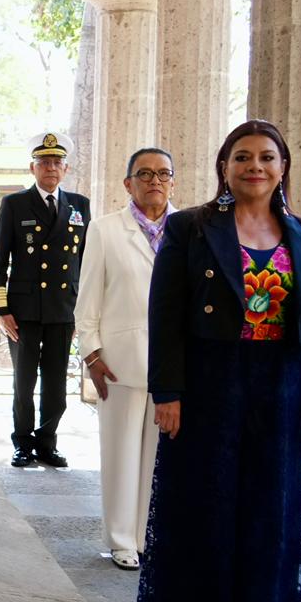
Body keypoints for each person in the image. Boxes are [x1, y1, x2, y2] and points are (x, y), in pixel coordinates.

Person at [132, 119, 301, 602]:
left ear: (282, 168)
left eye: (267, 158)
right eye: (243, 157)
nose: (255, 167)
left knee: (272, 509)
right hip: (209, 384)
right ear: (225, 166)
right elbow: (166, 316)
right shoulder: (191, 229)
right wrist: (167, 392)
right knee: (207, 503)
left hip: (284, 387)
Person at [74, 148, 176, 570]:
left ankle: (146, 535)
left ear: (173, 181)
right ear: (128, 183)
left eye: (163, 174)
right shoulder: (105, 229)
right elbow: (88, 298)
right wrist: (91, 353)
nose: (155, 181)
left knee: (159, 456)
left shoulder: (188, 229)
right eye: (145, 174)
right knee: (120, 452)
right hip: (118, 359)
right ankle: (120, 539)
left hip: (172, 362)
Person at [0, 131, 91, 468]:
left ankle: (47, 442)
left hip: (63, 310)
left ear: (66, 169)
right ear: (32, 168)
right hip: (23, 311)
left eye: (57, 162)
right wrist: (1, 309)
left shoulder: (80, 206)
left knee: (55, 383)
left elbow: (87, 263)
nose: (51, 167)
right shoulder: (15, 204)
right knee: (24, 382)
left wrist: (84, 311)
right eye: (44, 162)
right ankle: (22, 444)